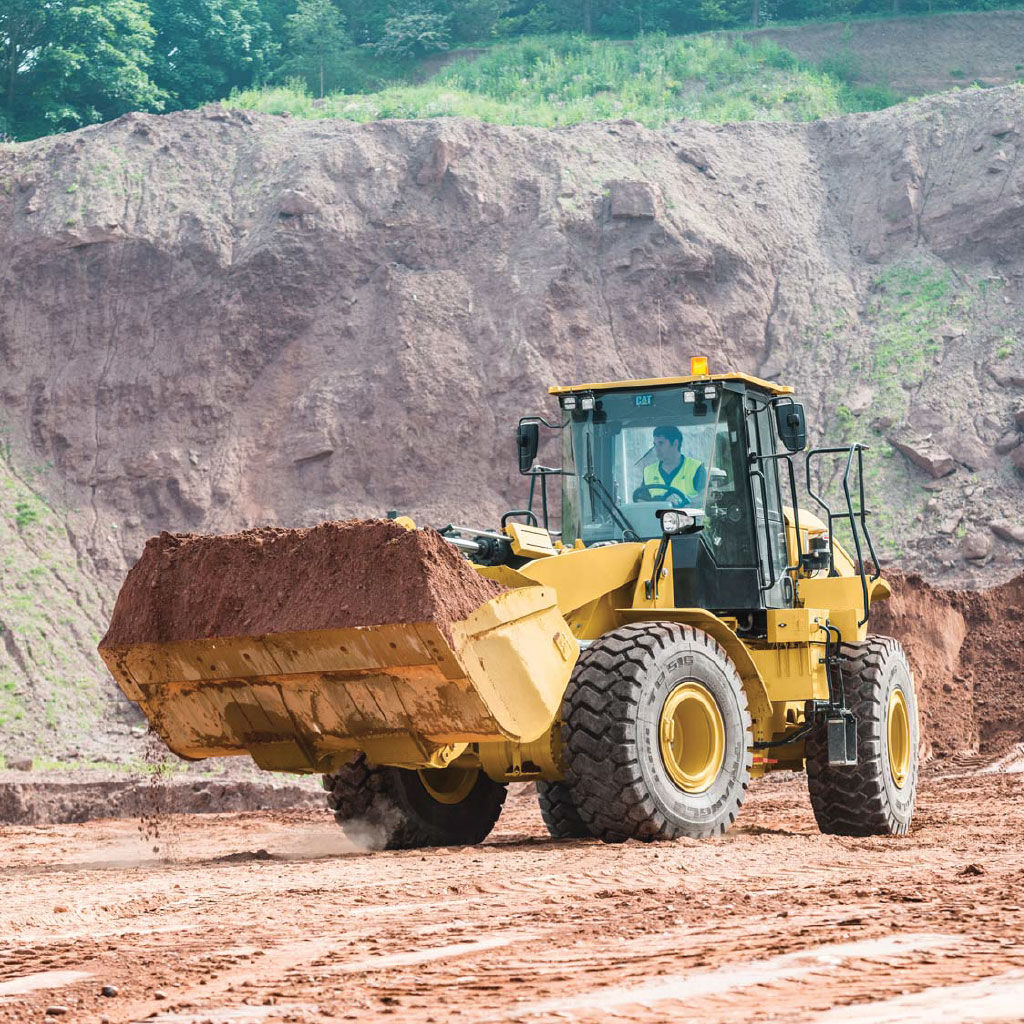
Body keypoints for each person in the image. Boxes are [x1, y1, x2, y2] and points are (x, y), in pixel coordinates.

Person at [634, 425, 706, 507]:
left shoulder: (695, 468)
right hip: (655, 518)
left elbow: (706, 498)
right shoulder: (649, 471)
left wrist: (683, 501)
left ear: (675, 443)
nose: (656, 448)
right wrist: (658, 503)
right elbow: (640, 499)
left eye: (661, 443)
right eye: (655, 444)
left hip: (687, 518)